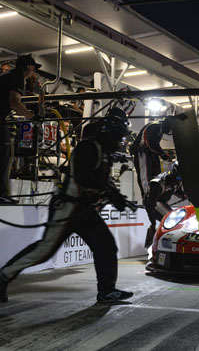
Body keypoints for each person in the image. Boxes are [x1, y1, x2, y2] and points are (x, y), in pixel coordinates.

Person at [0, 110, 135, 303]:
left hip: (84, 210)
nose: (120, 142)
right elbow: (83, 178)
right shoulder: (88, 147)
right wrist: (108, 194)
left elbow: (103, 181)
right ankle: (3, 277)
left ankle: (106, 291)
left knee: (105, 246)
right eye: (119, 137)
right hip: (68, 209)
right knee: (43, 252)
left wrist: (116, 196)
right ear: (110, 134)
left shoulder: (103, 152)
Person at [0, 55, 38, 204]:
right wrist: (31, 116)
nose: (33, 72)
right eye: (33, 69)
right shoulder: (17, 78)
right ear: (29, 67)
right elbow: (14, 102)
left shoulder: (6, 76)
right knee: (3, 154)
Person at [129, 118, 171, 221]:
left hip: (149, 154)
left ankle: (152, 194)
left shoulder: (158, 127)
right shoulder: (156, 126)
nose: (168, 131)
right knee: (146, 175)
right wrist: (162, 154)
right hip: (143, 153)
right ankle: (148, 195)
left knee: (152, 175)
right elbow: (151, 143)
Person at [143, 161, 185, 247]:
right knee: (173, 220)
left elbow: (177, 190)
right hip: (154, 202)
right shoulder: (158, 183)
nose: (179, 180)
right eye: (178, 177)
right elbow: (151, 204)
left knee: (173, 222)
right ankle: (158, 244)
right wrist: (153, 223)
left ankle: (162, 243)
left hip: (161, 203)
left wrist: (185, 195)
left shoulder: (176, 181)